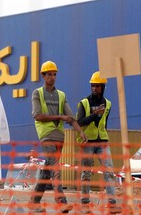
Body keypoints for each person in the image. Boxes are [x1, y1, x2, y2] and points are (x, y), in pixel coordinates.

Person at [29, 60, 88, 213]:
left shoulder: (61, 95)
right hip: (46, 135)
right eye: (49, 74)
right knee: (55, 167)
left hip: (59, 137)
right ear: (43, 76)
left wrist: (80, 132)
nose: (52, 77)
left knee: (47, 169)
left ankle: (34, 201)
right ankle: (61, 202)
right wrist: (60, 117)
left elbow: (71, 117)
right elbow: (38, 116)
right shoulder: (38, 93)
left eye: (54, 74)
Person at [76, 71, 122, 214]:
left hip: (102, 142)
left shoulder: (108, 104)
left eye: (97, 86)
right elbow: (80, 122)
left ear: (102, 87)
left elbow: (104, 124)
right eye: (92, 86)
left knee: (109, 172)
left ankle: (112, 204)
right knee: (86, 173)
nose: (94, 88)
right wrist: (94, 115)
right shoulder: (84, 103)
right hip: (88, 142)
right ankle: (85, 204)